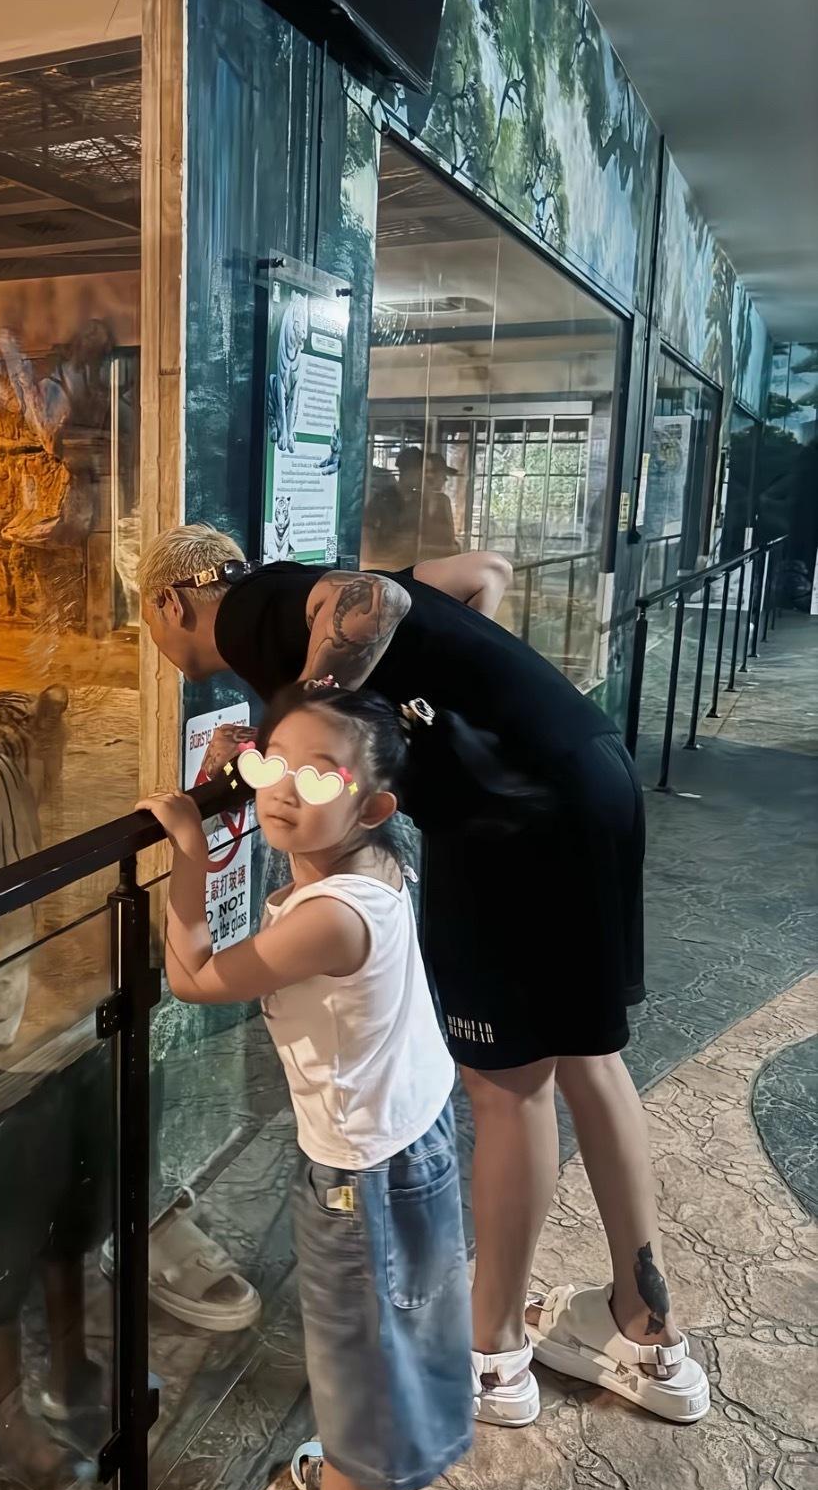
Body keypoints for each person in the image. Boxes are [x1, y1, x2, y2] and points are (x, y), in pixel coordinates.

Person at [136, 524, 710, 1430]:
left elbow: (378, 603)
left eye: (150, 626)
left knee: (507, 1086)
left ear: (171, 603)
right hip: (585, 767)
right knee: (588, 1056)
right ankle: (648, 1332)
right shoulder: (294, 587)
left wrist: (303, 717)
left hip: (509, 819)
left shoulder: (247, 614)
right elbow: (483, 573)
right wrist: (437, 713)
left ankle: (491, 1358)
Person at [139, 682, 472, 1490]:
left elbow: (193, 978)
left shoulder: (328, 917)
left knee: (354, 1372)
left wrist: (191, 852)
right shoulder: (375, 863)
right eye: (273, 765)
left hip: (362, 1173)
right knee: (385, 1341)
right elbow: (296, 818)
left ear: (374, 806)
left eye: (319, 776)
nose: (285, 790)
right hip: (411, 1137)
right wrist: (245, 774)